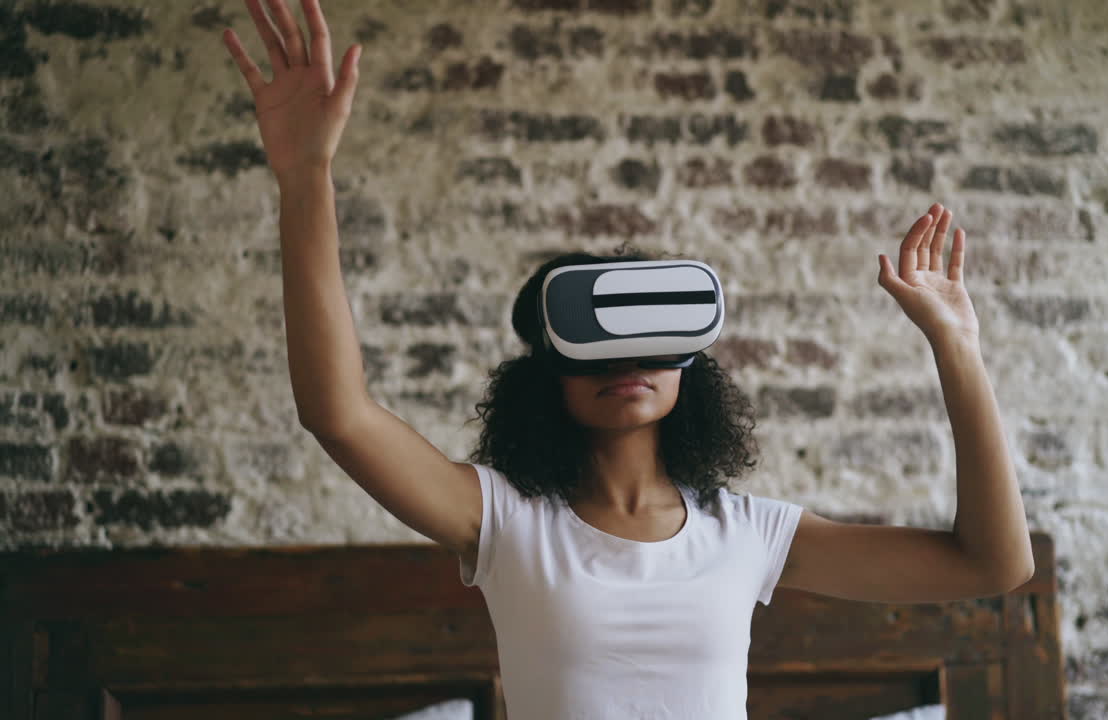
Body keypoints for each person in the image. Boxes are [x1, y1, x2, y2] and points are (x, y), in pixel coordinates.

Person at [222, 2, 1036, 718]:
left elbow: (994, 564)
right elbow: (338, 413)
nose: (629, 360)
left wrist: (956, 346)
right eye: (594, 339)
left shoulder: (748, 533)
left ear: (692, 361)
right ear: (546, 372)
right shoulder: (506, 523)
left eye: (653, 336)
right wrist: (306, 178)